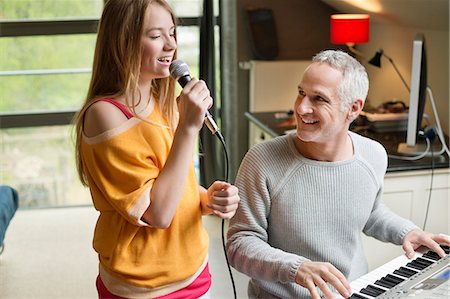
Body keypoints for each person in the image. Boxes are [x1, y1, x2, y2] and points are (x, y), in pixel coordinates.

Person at [226, 50, 449, 299]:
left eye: (318, 99)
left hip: (354, 292)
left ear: (353, 108)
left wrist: (407, 231)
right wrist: (296, 268)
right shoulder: (261, 160)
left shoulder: (373, 154)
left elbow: (370, 212)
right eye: (301, 93)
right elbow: (239, 244)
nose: (301, 108)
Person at [73, 0, 240, 298]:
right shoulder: (105, 115)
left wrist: (206, 198)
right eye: (155, 36)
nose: (170, 45)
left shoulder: (161, 100)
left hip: (194, 268)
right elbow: (157, 213)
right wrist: (189, 127)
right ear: (123, 41)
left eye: (172, 33)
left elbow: (170, 183)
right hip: (143, 285)